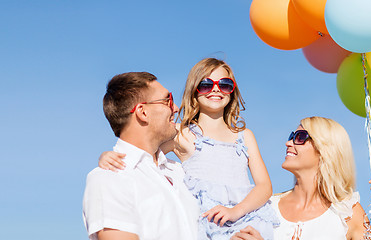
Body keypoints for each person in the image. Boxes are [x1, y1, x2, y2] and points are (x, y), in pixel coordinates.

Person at [98, 58, 279, 240]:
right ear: (194, 90)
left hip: (245, 216)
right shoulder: (181, 133)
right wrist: (109, 155)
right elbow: (143, 151)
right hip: (208, 221)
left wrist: (235, 211)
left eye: (224, 84)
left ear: (232, 91)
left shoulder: (244, 136)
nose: (216, 89)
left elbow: (264, 186)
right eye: (206, 84)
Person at [230, 117, 371, 240]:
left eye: (300, 137)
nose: (288, 143)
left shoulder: (347, 212)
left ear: (325, 150)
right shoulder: (266, 207)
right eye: (291, 136)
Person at [82, 72, 199, 240]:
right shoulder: (109, 178)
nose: (176, 108)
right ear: (143, 112)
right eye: (168, 100)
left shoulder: (180, 171)